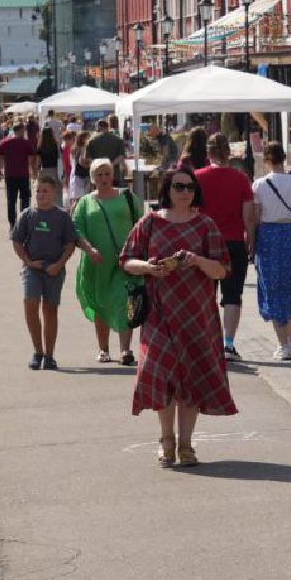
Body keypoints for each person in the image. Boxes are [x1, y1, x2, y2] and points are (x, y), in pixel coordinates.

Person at [120, 166, 236, 467]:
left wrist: (197, 260)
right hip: (159, 314)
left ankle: (186, 445)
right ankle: (166, 439)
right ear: (167, 190)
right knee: (161, 373)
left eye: (190, 188)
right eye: (179, 187)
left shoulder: (205, 225)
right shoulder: (150, 222)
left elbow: (222, 269)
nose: (185, 193)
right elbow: (126, 261)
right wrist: (148, 267)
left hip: (197, 315)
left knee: (192, 376)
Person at [13, 174, 103, 370]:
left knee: (49, 309)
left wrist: (60, 264)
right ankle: (37, 351)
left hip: (54, 270)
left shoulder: (62, 216)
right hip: (33, 269)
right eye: (37, 191)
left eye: (45, 191)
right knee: (31, 303)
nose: (40, 195)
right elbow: (17, 241)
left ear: (54, 193)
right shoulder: (27, 215)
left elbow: (71, 243)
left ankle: (49, 355)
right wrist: (28, 261)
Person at [246, 141, 291, 359]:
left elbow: (256, 218)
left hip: (268, 237)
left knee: (273, 288)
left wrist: (251, 241)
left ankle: (283, 343)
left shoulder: (259, 185)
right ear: (284, 158)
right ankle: (290, 335)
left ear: (266, 160)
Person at [74, 157, 143, 365]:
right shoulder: (86, 202)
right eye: (99, 174)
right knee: (100, 303)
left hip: (126, 261)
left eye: (106, 173)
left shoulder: (128, 197)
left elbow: (143, 223)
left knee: (126, 299)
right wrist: (89, 248)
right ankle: (103, 349)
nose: (103, 178)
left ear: (113, 175)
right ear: (93, 178)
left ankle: (125, 350)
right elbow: (76, 229)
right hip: (96, 264)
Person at [194, 133, 256, 362]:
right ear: (228, 152)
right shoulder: (240, 179)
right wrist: (251, 239)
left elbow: (190, 212)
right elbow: (248, 216)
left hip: (203, 243)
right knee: (233, 295)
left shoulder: (196, 177)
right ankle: (228, 344)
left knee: (205, 295)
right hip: (233, 242)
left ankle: (206, 343)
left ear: (208, 153)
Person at [0, 123, 37, 228]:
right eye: (23, 130)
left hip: (10, 175)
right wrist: (32, 171)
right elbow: (31, 158)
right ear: (20, 130)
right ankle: (24, 222)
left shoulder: (4, 142)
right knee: (25, 199)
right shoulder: (26, 143)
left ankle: (12, 224)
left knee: (11, 200)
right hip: (23, 174)